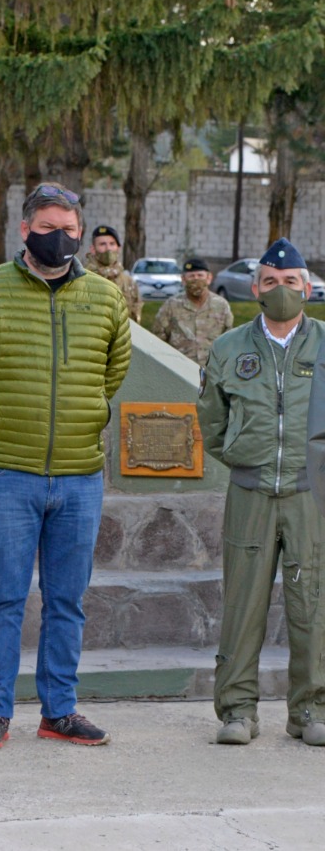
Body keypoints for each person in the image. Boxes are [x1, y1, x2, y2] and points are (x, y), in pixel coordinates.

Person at [0, 183, 131, 750]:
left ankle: (59, 711)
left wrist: (87, 411)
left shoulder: (106, 298)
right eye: (48, 227)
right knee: (4, 598)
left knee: (67, 600)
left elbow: (113, 370)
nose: (61, 238)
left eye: (70, 228)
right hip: (6, 473)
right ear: (25, 230)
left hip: (79, 475)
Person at [202, 237, 325, 747]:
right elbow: (211, 419)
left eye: (290, 282)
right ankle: (237, 711)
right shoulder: (229, 347)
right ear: (255, 288)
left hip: (309, 497)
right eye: (270, 283)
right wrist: (240, 456)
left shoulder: (324, 344)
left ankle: (310, 713)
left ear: (309, 287)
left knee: (312, 607)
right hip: (250, 494)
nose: (280, 290)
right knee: (242, 607)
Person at [152, 258, 233, 365]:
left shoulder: (221, 306)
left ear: (209, 278)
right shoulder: (171, 306)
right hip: (179, 370)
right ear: (183, 280)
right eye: (191, 276)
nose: (196, 279)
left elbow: (229, 342)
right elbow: (158, 340)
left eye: (200, 276)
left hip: (211, 372)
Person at [85, 224, 141, 322]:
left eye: (112, 244)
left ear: (118, 248)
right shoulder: (83, 279)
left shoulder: (128, 282)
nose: (108, 249)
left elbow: (136, 315)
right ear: (93, 249)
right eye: (102, 244)